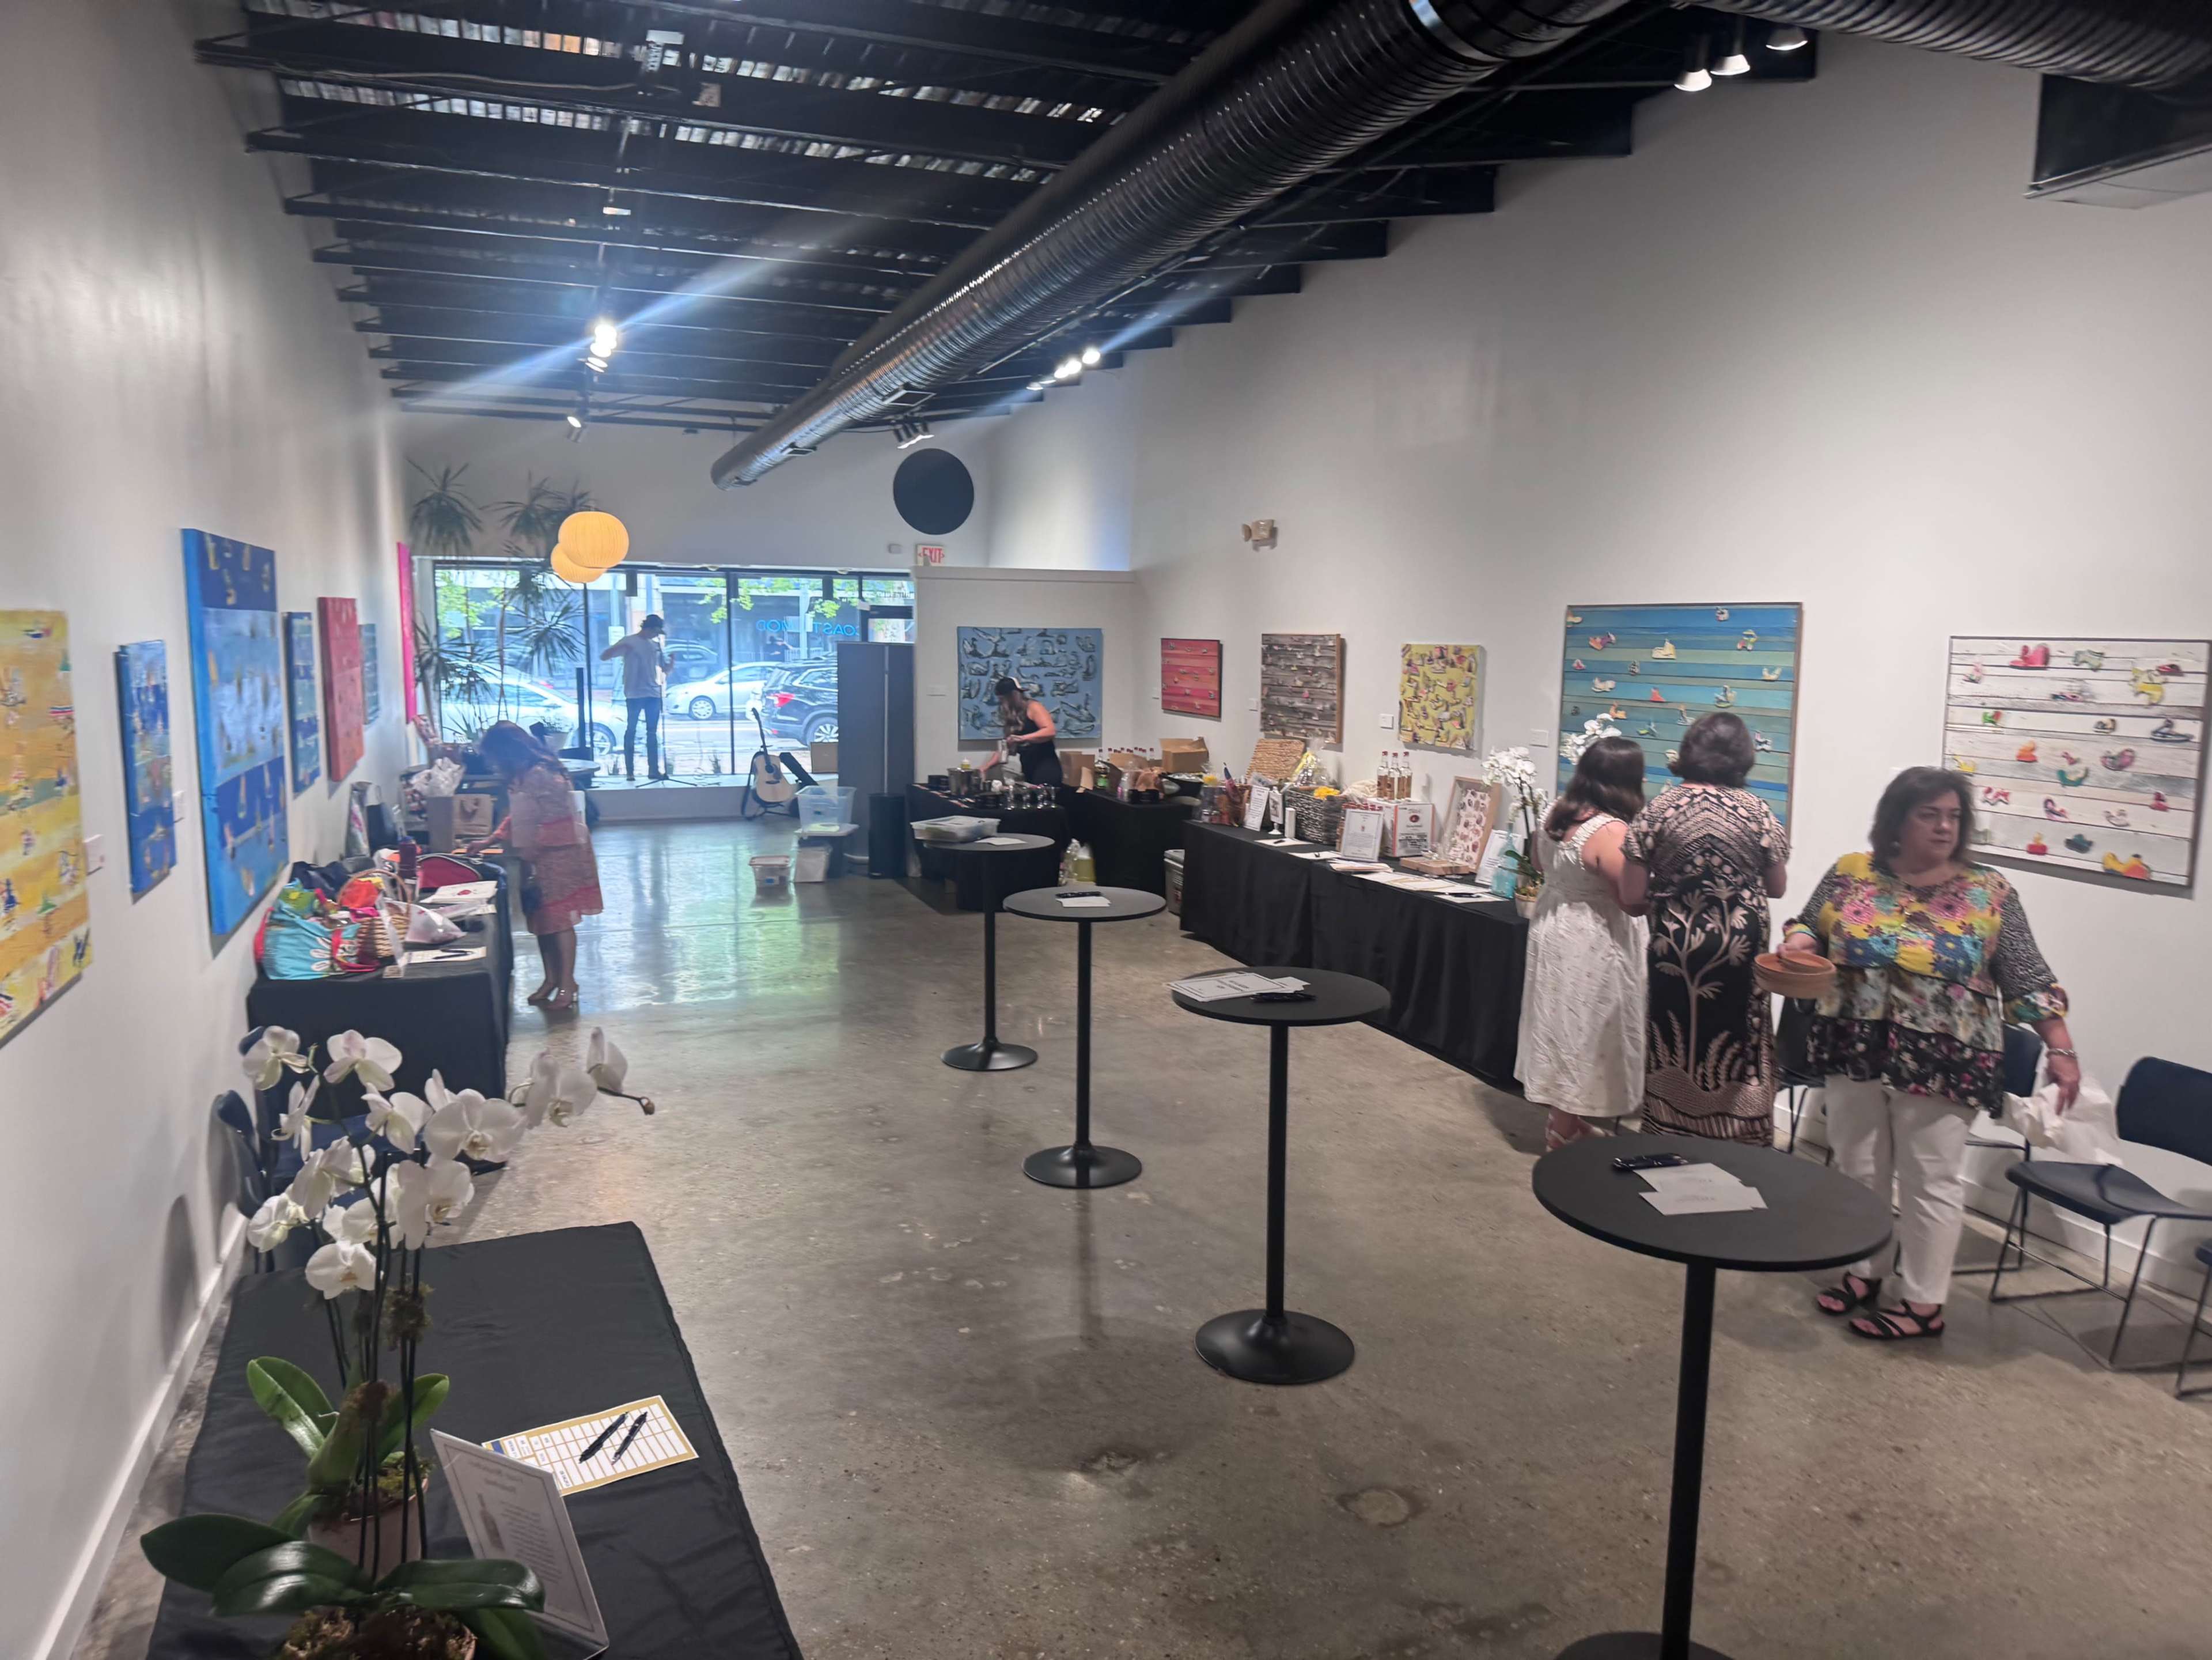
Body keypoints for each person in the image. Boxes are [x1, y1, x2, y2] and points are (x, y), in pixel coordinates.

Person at [1785, 767, 2079, 1343]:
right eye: (1930, 815)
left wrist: (2061, 1047)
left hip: (1949, 1056)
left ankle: (1923, 1303)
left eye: (1954, 816)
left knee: (1932, 1180)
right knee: (1857, 1167)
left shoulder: (1989, 891)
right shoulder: (1852, 874)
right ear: (1896, 819)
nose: (1945, 826)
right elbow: (1809, 927)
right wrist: (1799, 942)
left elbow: (2026, 977)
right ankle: (1863, 1270)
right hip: (1855, 1042)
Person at [1619, 712, 1789, 1144]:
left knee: (1672, 1037)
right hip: (1741, 949)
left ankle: (1669, 1135)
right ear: (1743, 757)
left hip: (1674, 947)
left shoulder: (1658, 810)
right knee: (1742, 1040)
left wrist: (1672, 891)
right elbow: (1777, 886)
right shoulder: (1758, 811)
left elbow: (1632, 898)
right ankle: (1740, 1139)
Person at [1518, 736, 1650, 1151]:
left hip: (1554, 925)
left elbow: (1540, 864)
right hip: (1594, 937)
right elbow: (1630, 901)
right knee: (1589, 1030)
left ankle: (1567, 1120)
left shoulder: (1557, 813)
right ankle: (1562, 1128)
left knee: (1561, 1025)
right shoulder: (1611, 831)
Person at [469, 721, 602, 1014]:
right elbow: (520, 815)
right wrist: (492, 839)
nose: (492, 763)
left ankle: (568, 983)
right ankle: (552, 979)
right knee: (541, 919)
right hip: (537, 853)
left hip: (561, 852)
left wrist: (529, 845)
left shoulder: (542, 774)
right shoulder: (525, 774)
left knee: (559, 920)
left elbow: (557, 818)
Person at [600, 614, 670, 781]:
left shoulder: (655, 645)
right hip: (634, 693)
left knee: (652, 733)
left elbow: (665, 668)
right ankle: (630, 772)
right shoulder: (629, 641)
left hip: (653, 692)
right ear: (649, 628)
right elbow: (605, 656)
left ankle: (653, 770)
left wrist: (672, 663)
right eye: (655, 631)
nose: (656, 635)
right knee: (631, 730)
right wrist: (619, 648)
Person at [994, 676, 1063, 788]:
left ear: (1013, 696)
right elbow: (1005, 748)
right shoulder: (1014, 716)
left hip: (1046, 768)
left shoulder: (1033, 707)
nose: (1001, 704)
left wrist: (1022, 738)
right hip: (1029, 768)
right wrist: (984, 768)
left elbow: (1050, 731)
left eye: (1003, 700)